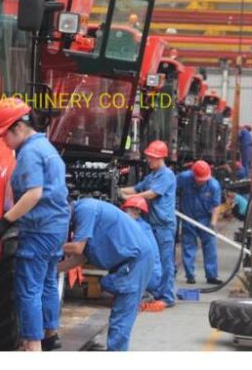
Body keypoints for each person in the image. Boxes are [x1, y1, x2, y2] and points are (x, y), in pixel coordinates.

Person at [0, 97, 69, 352]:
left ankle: (32, 346)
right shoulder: (45, 146)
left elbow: (33, 193)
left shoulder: (30, 153)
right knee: (46, 282)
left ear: (18, 128)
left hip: (39, 228)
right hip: (55, 226)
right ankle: (49, 334)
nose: (2, 141)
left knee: (28, 288)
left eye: (3, 135)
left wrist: (3, 222)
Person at [58, 198, 153, 351]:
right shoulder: (82, 215)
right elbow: (80, 258)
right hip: (126, 262)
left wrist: (45, 245)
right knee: (118, 311)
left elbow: (77, 248)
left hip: (134, 263)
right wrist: (54, 270)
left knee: (120, 318)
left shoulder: (85, 210)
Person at [119, 140, 177, 311]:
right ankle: (157, 292)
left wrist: (127, 199)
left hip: (163, 226)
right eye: (149, 157)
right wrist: (118, 189)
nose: (149, 160)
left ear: (160, 158)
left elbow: (151, 194)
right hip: (153, 225)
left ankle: (167, 297)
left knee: (166, 262)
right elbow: (137, 189)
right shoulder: (152, 176)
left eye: (152, 158)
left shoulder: (166, 175)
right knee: (154, 260)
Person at [177, 160, 223, 285]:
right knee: (188, 246)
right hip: (188, 217)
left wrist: (213, 223)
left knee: (210, 246)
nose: (201, 181)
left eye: (203, 179)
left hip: (205, 219)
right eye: (199, 179)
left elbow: (216, 205)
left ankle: (211, 275)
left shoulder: (214, 185)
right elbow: (172, 190)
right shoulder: (184, 178)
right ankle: (190, 275)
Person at [121, 195, 162, 296]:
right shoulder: (144, 226)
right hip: (154, 276)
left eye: (127, 210)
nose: (125, 213)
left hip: (149, 277)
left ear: (137, 211)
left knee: (107, 282)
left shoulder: (135, 228)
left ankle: (138, 292)